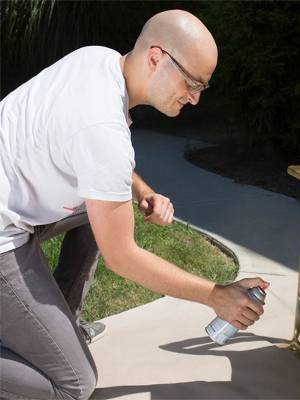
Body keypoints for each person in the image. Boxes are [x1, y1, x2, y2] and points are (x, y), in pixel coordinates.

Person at [0, 9, 269, 400]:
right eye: (192, 82)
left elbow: (96, 159)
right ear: (157, 57)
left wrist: (141, 190)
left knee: (101, 215)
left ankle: (63, 325)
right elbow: (121, 258)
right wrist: (216, 294)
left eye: (202, 88)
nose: (194, 98)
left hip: (13, 199)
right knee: (73, 384)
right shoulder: (102, 128)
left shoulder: (98, 59)